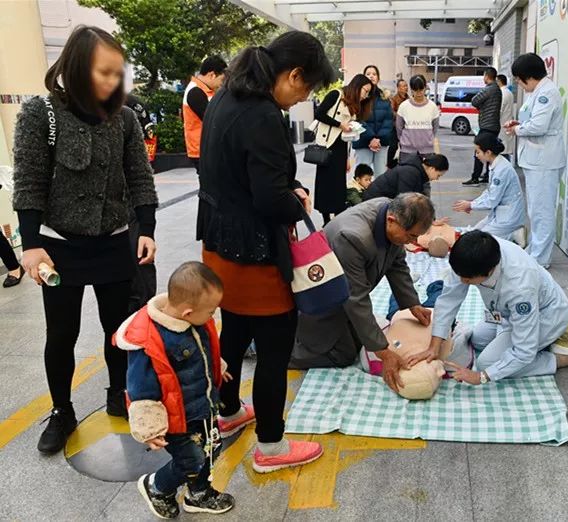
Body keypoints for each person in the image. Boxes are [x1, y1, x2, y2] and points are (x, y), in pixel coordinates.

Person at [12, 26, 159, 454]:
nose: (112, 81)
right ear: (79, 67)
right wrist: (31, 241)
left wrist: (146, 227)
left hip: (114, 240)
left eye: (117, 73)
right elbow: (29, 180)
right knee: (62, 333)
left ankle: (119, 393)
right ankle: (62, 410)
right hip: (58, 246)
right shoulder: (42, 114)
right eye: (104, 72)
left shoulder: (124, 118)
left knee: (119, 327)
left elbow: (139, 176)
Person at [197, 32, 336, 474]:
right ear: (293, 74)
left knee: (234, 331)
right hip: (255, 251)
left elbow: (235, 173)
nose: (301, 99)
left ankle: (229, 409)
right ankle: (272, 447)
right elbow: (269, 199)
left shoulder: (225, 96)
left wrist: (282, 190)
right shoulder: (263, 114)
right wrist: (297, 200)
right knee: (275, 347)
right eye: (305, 89)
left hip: (218, 244)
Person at [118, 262, 234, 519]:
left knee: (212, 448)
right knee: (190, 461)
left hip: (203, 407)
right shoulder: (151, 340)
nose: (213, 315)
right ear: (188, 312)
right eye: (211, 311)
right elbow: (140, 389)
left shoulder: (195, 321)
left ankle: (198, 493)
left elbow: (204, 351)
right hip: (177, 420)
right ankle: (157, 487)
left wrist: (218, 367)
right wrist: (149, 428)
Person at [290, 194, 436, 392]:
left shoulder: (391, 212)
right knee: (342, 354)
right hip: (324, 294)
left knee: (362, 341)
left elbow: (397, 263)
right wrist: (384, 353)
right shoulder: (351, 237)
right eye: (411, 236)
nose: (414, 241)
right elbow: (355, 298)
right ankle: (266, 348)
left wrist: (413, 303)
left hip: (346, 291)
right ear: (392, 220)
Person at [407, 231, 568, 384]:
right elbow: (449, 300)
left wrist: (482, 377)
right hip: (506, 313)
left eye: (468, 280)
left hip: (545, 315)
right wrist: (433, 345)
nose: (462, 282)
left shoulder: (520, 287)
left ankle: (560, 356)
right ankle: (541, 341)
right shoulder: (475, 253)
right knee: (477, 340)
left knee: (488, 362)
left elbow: (523, 352)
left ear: (488, 272)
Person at [505, 53, 565, 268]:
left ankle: (540, 258)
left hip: (544, 160)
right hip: (536, 159)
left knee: (542, 211)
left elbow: (539, 126)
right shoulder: (537, 92)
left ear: (528, 77)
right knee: (536, 210)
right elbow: (533, 120)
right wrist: (518, 123)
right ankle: (536, 251)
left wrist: (518, 129)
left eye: (519, 81)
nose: (520, 85)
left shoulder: (545, 94)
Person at [313, 74, 373, 225]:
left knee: (339, 184)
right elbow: (319, 113)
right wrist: (340, 125)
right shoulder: (336, 94)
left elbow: (347, 135)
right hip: (327, 145)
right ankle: (326, 220)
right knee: (326, 184)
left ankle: (337, 217)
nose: (365, 95)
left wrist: (347, 157)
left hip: (340, 148)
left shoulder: (353, 104)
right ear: (357, 87)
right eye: (365, 91)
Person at [453, 133, 524, 240]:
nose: (476, 155)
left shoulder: (502, 170)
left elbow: (492, 200)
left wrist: (471, 205)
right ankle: (513, 234)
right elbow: (489, 191)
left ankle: (513, 234)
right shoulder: (495, 164)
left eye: (478, 152)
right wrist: (472, 204)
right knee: (473, 232)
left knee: (478, 240)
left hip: (508, 217)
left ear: (488, 152)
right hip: (499, 213)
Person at [125, 93, 157, 314]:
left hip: (129, 207)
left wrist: (148, 229)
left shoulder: (128, 108)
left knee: (139, 266)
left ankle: (144, 314)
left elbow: (141, 176)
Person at [183, 55, 227, 174]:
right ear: (212, 75)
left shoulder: (204, 90)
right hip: (202, 150)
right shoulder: (195, 92)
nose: (221, 84)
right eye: (221, 80)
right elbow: (213, 119)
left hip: (208, 149)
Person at [464, 67, 502, 186]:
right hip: (494, 126)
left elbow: (474, 101)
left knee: (479, 151)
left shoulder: (489, 89)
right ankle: (487, 175)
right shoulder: (497, 89)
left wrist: (481, 107)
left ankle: (475, 177)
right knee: (489, 152)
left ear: (486, 76)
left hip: (487, 126)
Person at [352, 65, 393, 176]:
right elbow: (357, 119)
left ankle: (378, 195)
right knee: (362, 176)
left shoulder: (385, 97)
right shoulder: (359, 97)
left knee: (380, 176)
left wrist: (378, 139)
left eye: (374, 74)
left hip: (381, 143)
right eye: (368, 74)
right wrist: (371, 138)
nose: (371, 76)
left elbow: (388, 121)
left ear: (378, 78)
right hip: (363, 141)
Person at [395, 75, 441, 164]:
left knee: (425, 176)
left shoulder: (432, 107)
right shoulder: (404, 106)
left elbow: (435, 128)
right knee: (406, 176)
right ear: (411, 90)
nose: (419, 93)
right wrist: (405, 142)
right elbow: (399, 128)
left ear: (425, 88)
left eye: (421, 89)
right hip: (407, 151)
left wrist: (428, 140)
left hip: (427, 151)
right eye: (416, 90)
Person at [363, 153, 448, 200]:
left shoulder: (418, 173)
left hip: (381, 202)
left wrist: (431, 220)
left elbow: (420, 201)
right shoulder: (411, 173)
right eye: (438, 175)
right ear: (432, 168)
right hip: (373, 203)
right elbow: (404, 203)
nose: (436, 179)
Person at [388, 79, 409, 169]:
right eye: (403, 86)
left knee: (405, 147)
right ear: (398, 88)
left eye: (406, 86)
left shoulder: (409, 99)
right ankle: (388, 164)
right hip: (395, 127)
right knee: (393, 147)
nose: (406, 88)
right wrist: (401, 115)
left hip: (406, 127)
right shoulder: (394, 99)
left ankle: (403, 165)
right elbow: (391, 112)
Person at [496, 74, 516, 159]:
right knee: (505, 150)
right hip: (506, 123)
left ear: (499, 81)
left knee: (502, 152)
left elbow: (500, 110)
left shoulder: (502, 93)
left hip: (502, 124)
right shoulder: (509, 93)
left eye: (496, 81)